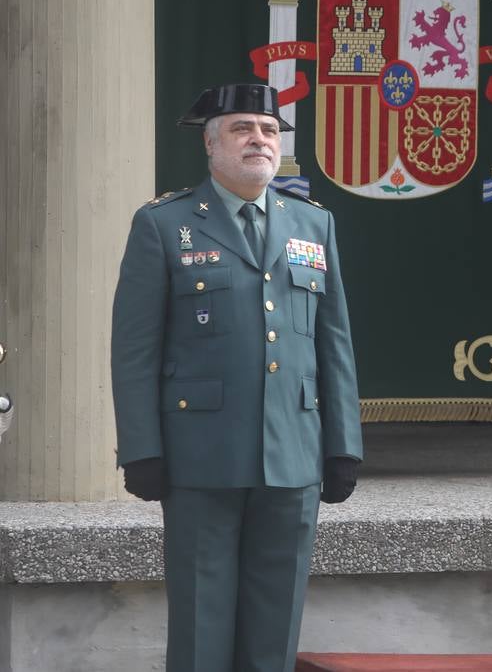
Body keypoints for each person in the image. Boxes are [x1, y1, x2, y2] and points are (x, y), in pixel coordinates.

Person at [110, 83, 363, 672]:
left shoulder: (312, 224)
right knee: (201, 623)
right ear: (211, 144)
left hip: (293, 454)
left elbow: (335, 342)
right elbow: (135, 350)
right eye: (242, 129)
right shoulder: (164, 225)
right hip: (201, 454)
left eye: (270, 130)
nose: (259, 139)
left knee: (276, 627)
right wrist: (142, 449)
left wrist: (343, 444)